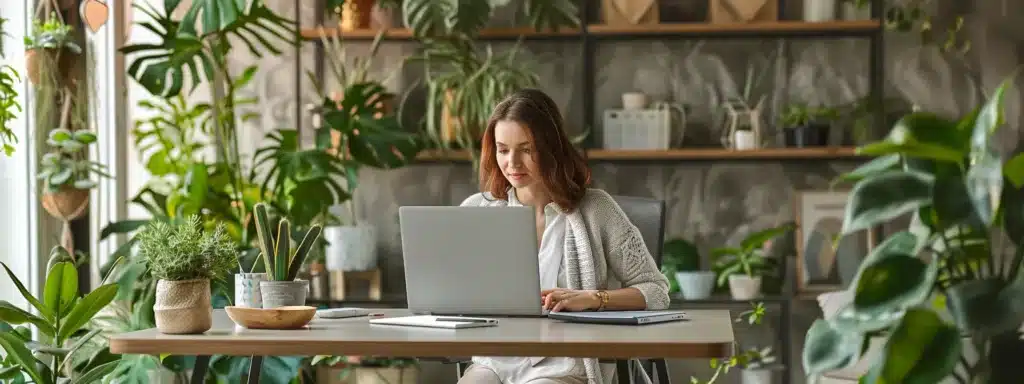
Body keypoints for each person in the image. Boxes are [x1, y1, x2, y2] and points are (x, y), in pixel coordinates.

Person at [456, 88, 671, 384]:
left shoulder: (597, 210)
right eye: (503, 149)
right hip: (496, 360)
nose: (513, 163)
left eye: (527, 149)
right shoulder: (475, 210)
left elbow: (657, 291)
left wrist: (595, 299)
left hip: (567, 365)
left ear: (550, 148)